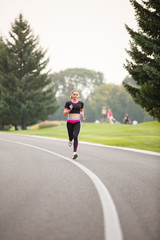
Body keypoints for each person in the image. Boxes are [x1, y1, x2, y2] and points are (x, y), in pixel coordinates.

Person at [63, 90, 85, 160]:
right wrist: (69, 109)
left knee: (75, 136)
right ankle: (70, 139)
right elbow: (64, 113)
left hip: (77, 122)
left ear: (78, 96)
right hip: (69, 122)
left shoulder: (81, 103)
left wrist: (82, 115)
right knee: (71, 136)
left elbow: (81, 110)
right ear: (71, 95)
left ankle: (74, 152)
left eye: (77, 95)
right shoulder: (68, 103)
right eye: (74, 95)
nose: (75, 96)